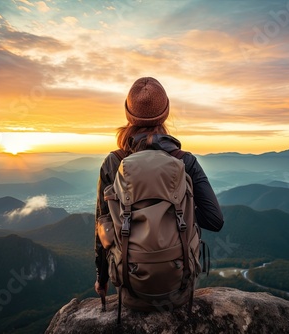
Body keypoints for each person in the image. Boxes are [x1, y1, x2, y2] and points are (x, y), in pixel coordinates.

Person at [94, 77, 224, 297]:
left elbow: (102, 223)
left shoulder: (113, 162)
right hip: (179, 285)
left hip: (129, 285)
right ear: (165, 114)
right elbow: (215, 220)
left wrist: (102, 278)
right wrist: (179, 211)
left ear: (128, 115)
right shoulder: (185, 161)